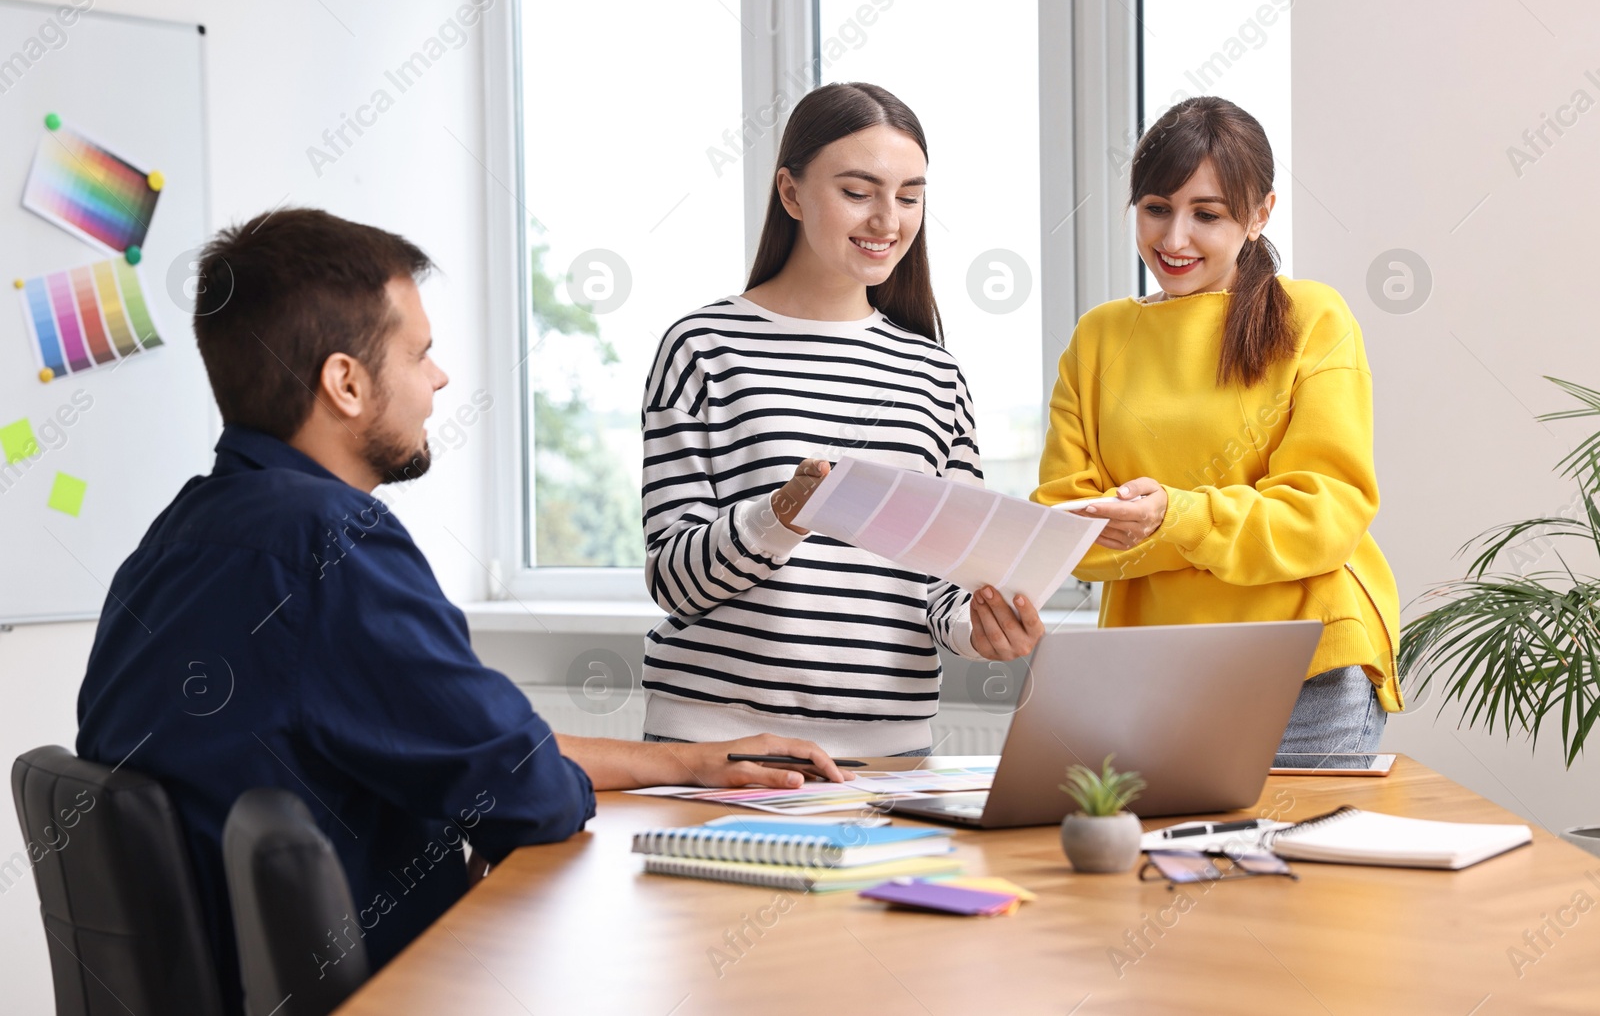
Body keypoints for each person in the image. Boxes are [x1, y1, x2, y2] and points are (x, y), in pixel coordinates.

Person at [75, 208, 846, 1014]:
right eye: (420, 353)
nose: (439, 379)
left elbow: (479, 752)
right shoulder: (332, 540)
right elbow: (526, 788)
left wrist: (686, 761)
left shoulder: (177, 537)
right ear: (345, 382)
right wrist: (542, 779)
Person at [639, 82, 1045, 758]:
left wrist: (986, 628)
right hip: (716, 744)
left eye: (910, 196)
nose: (888, 219)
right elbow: (671, 579)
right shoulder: (702, 348)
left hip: (889, 754)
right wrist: (782, 514)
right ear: (792, 194)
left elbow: (947, 590)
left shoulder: (934, 375)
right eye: (859, 192)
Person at [1032, 96, 1402, 753]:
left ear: (1259, 214)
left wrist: (1169, 518)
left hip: (1305, 668)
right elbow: (1068, 531)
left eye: (1207, 214)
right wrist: (1160, 525)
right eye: (1155, 209)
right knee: (1157, 861)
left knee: (1301, 858)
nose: (1173, 240)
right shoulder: (1099, 338)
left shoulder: (1313, 319)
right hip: (1151, 674)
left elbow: (1323, 518)